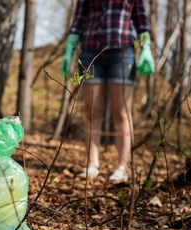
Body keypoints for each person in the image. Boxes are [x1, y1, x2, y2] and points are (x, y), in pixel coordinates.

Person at [61, 0, 155, 182]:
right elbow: (79, 19)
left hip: (122, 52)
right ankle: (92, 164)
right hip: (90, 53)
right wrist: (70, 47)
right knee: (91, 111)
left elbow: (141, 20)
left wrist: (146, 47)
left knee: (121, 112)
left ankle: (122, 167)